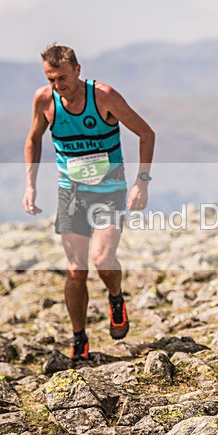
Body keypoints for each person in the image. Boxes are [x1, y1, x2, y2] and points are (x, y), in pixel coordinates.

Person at [23, 44, 155, 362]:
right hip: (71, 192)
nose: (58, 85)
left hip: (109, 190)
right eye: (51, 79)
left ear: (78, 70)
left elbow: (146, 134)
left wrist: (141, 182)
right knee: (75, 271)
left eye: (63, 78)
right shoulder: (44, 100)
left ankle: (115, 297)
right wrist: (30, 184)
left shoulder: (103, 96)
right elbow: (33, 139)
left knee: (102, 259)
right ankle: (79, 337)